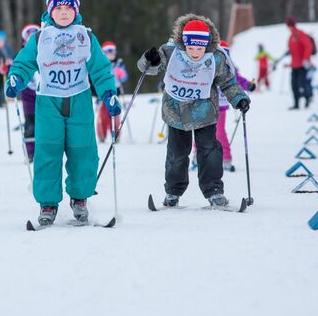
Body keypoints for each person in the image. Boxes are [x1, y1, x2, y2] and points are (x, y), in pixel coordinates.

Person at [5, 0, 120, 225]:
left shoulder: (85, 36)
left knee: (83, 150)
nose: (64, 12)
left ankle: (80, 198)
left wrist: (109, 93)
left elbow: (99, 68)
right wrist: (15, 79)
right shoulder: (40, 37)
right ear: (50, 11)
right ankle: (47, 203)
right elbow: (23, 64)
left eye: (69, 8)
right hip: (48, 101)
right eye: (59, 8)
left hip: (80, 99)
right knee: (48, 151)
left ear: (76, 11)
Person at [137, 14, 250, 208]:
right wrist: (150, 59)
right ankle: (173, 192)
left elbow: (228, 82)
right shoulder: (171, 52)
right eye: (191, 48)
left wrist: (239, 98)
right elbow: (148, 68)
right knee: (177, 154)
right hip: (175, 112)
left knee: (209, 151)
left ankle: (214, 191)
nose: (195, 53)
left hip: (204, 112)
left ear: (206, 44)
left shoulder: (216, 57)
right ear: (184, 43)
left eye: (200, 48)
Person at [192, 40, 255, 172]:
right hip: (205, 103)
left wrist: (248, 85)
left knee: (219, 132)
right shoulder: (207, 63)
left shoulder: (230, 67)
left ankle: (225, 158)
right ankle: (198, 157)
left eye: (226, 53)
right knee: (200, 130)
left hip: (220, 104)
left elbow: (237, 79)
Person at [1, 24, 41, 162]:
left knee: (44, 124)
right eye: (28, 36)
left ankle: (43, 153)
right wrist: (6, 69)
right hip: (28, 94)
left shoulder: (46, 51)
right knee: (30, 124)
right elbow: (15, 70)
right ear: (24, 40)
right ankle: (30, 152)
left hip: (45, 94)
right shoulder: (22, 53)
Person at [96, 41, 128, 143]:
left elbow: (124, 78)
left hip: (115, 93)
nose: (111, 55)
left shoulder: (119, 63)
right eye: (108, 52)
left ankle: (116, 135)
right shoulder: (100, 64)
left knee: (115, 114)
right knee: (103, 115)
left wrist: (121, 73)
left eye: (113, 52)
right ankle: (102, 135)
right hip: (103, 94)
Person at [285, 17, 313, 109]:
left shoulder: (300, 34)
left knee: (302, 84)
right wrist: (289, 63)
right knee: (293, 85)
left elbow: (308, 46)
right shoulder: (291, 36)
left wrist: (306, 59)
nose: (289, 27)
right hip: (294, 65)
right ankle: (296, 104)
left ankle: (307, 99)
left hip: (302, 65)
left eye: (289, 25)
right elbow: (293, 51)